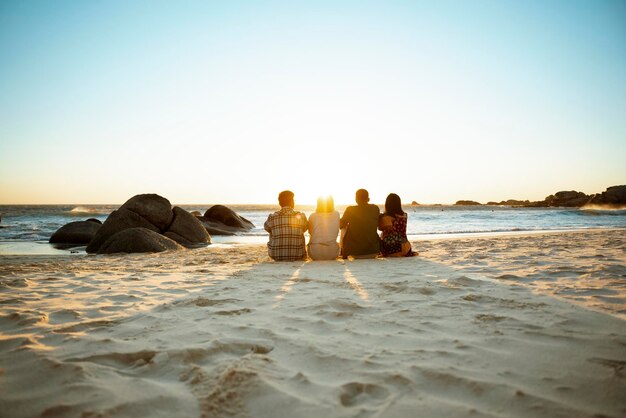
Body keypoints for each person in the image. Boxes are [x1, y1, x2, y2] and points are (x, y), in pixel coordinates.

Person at [264, 190, 308, 261]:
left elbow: (266, 228)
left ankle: (278, 249)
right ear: (292, 201)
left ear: (279, 203)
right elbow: (305, 228)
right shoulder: (301, 216)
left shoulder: (272, 217)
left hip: (276, 255)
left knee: (272, 230)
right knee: (300, 231)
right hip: (298, 255)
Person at [340, 189, 380, 259]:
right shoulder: (375, 208)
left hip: (355, 252)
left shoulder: (350, 209)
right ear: (368, 199)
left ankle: (344, 253)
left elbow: (341, 225)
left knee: (344, 227)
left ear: (356, 199)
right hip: (373, 252)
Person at [307, 196, 340, 260]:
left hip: (314, 253)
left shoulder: (312, 216)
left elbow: (311, 232)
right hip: (332, 253)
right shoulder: (336, 214)